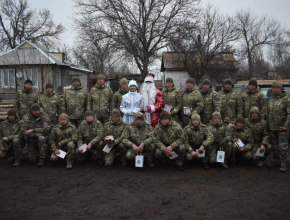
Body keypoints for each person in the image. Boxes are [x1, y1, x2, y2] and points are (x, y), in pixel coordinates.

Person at [267, 81, 290, 172]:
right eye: (273, 88)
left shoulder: (286, 99)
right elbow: (269, 113)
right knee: (274, 146)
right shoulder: (271, 99)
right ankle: (276, 161)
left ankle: (284, 163)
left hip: (282, 128)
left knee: (283, 146)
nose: (275, 89)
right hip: (273, 128)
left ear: (280, 89)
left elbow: (289, 114)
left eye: (277, 87)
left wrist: (286, 125)